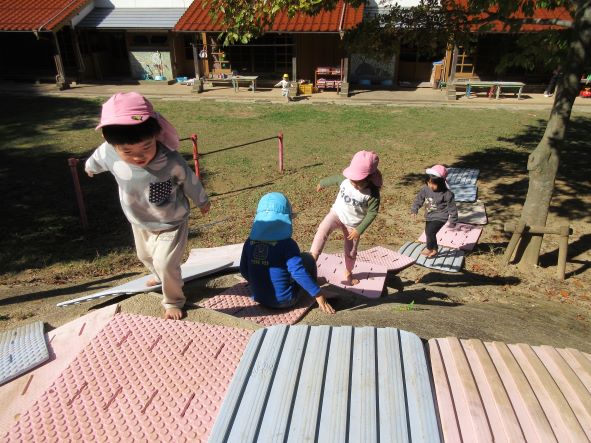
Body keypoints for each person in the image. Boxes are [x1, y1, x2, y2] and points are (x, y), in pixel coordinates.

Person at [85, 92, 211, 321]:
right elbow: (97, 158)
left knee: (165, 262)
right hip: (139, 221)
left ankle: (173, 300)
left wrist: (202, 200)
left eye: (147, 146)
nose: (139, 157)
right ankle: (161, 276)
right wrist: (90, 168)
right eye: (128, 152)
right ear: (111, 142)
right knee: (145, 256)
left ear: (156, 134)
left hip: (171, 221)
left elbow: (189, 180)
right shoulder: (108, 151)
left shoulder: (169, 160)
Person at [240, 192, 335, 314]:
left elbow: (244, 270)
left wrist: (259, 284)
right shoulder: (288, 244)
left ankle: (308, 284)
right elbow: (297, 272)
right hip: (286, 300)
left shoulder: (249, 242)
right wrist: (319, 294)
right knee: (307, 258)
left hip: (259, 298)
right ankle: (312, 285)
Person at [310, 151, 382, 286]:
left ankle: (348, 272)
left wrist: (359, 229)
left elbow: (372, 213)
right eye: (352, 180)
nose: (353, 183)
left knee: (351, 251)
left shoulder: (372, 193)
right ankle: (312, 257)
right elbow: (334, 179)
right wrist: (322, 183)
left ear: (369, 179)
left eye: (357, 182)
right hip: (336, 214)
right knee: (322, 230)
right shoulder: (346, 181)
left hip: (353, 226)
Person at [410, 165, 458, 258]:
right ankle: (434, 249)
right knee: (429, 232)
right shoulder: (425, 189)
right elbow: (419, 199)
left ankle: (429, 248)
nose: (430, 186)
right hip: (429, 216)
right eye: (429, 183)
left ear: (441, 183)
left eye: (434, 184)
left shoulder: (447, 194)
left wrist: (453, 220)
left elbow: (452, 208)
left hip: (441, 216)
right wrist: (414, 209)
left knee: (430, 232)